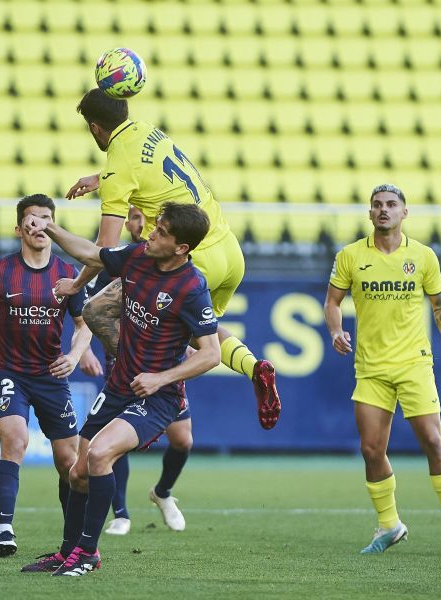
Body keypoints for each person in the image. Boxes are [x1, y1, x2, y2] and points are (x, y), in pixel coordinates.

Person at [59, 88, 281, 431]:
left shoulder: (118, 166)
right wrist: (100, 179)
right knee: (203, 332)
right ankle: (254, 368)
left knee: (97, 310)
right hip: (229, 251)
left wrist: (76, 285)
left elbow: (104, 247)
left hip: (191, 258)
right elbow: (141, 170)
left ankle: (154, 384)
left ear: (94, 128)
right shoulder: (147, 130)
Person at [20, 202, 221, 577]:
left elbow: (211, 354)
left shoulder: (192, 287)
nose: (152, 234)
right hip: (118, 385)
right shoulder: (137, 257)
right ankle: (67, 552)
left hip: (157, 397)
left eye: (161, 232)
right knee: (76, 472)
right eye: (155, 226)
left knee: (99, 455)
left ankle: (88, 554)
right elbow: (90, 252)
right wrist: (50, 227)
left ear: (182, 248)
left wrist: (160, 378)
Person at [323, 183, 441, 555]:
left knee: (434, 441)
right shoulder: (350, 256)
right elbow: (332, 301)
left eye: (391, 204)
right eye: (377, 205)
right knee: (371, 449)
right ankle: (389, 526)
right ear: (370, 212)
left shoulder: (423, 256)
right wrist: (335, 330)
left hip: (414, 363)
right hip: (371, 367)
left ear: (404, 213)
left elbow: (440, 304)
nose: (383, 210)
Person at [0, 194, 92, 558]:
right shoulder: (0, 271)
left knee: (69, 461)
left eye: (47, 219)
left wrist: (75, 355)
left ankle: (73, 539)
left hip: (51, 376)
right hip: (9, 370)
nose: (40, 225)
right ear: (19, 229)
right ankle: (4, 531)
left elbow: (84, 324)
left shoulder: (67, 274)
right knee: (15, 441)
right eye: (32, 219)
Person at [86, 206, 193, 536]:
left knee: (183, 440)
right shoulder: (119, 262)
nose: (142, 224)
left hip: (161, 368)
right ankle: (120, 512)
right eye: (134, 217)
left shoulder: (178, 272)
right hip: (122, 365)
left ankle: (162, 493)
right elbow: (90, 311)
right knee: (116, 441)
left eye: (148, 219)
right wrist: (85, 350)